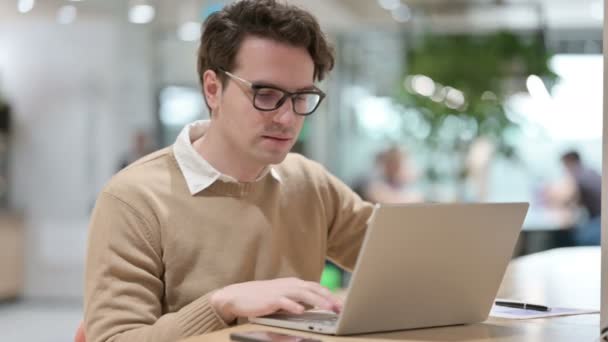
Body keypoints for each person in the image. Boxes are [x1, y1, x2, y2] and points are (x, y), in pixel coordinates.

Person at [83, 1, 374, 341]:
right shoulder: (135, 199)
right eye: (265, 94)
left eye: (301, 97)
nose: (287, 118)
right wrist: (221, 304)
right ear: (212, 88)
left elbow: (402, 260)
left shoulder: (310, 182)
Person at [544, 150, 601, 246]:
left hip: (597, 223)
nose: (564, 169)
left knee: (569, 237)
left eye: (565, 165)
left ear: (570, 162)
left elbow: (565, 198)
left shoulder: (577, 174)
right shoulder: (591, 172)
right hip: (599, 220)